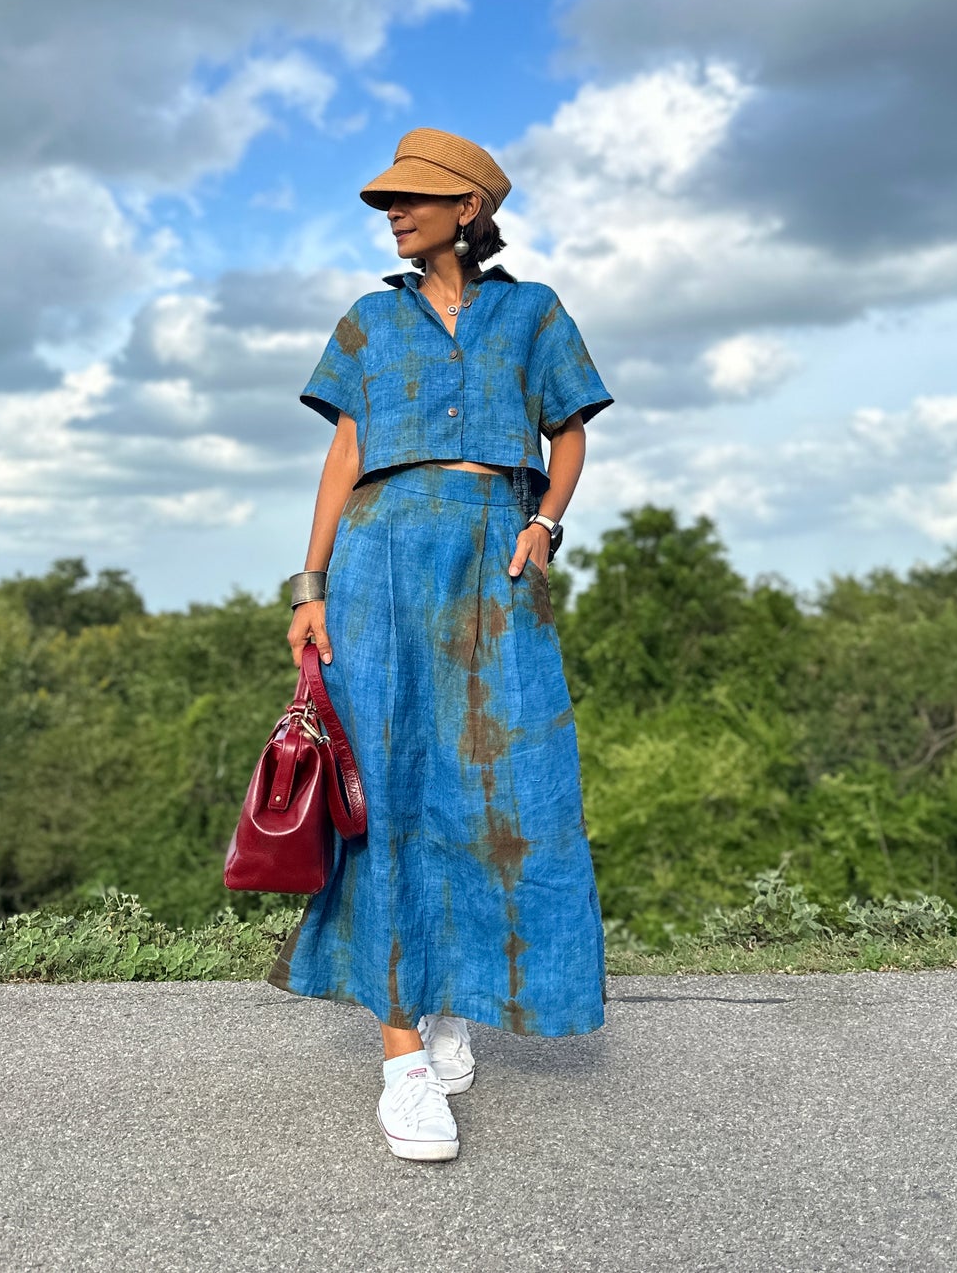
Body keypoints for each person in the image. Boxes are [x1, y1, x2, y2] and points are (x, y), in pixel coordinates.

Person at [267, 126, 613, 1162]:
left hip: (493, 564)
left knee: (506, 783)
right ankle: (402, 1057)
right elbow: (345, 451)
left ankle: (450, 985)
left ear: (469, 207)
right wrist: (311, 582)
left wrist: (543, 524)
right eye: (385, 201)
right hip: (378, 564)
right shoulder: (370, 320)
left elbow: (570, 430)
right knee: (389, 786)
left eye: (414, 196)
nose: (392, 212)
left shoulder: (530, 310)